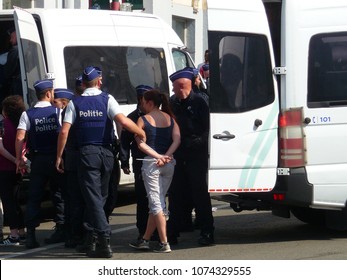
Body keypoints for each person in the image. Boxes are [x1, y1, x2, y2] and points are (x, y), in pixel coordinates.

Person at [56, 66, 145, 258]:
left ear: (84, 83)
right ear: (100, 81)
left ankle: (103, 240)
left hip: (87, 155)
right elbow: (122, 121)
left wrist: (59, 156)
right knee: (100, 197)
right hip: (106, 154)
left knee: (94, 198)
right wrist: (140, 131)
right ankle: (91, 238)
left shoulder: (75, 103)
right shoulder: (108, 99)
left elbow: (64, 131)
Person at [167, 67, 215, 246]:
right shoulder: (173, 102)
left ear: (182, 86)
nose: (172, 90)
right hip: (178, 153)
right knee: (176, 193)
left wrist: (196, 143)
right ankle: (173, 231)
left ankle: (207, 231)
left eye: (174, 86)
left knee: (200, 193)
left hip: (196, 154)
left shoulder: (200, 102)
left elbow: (207, 129)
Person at [129, 89, 180, 253]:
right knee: (157, 201)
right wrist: (166, 155)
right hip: (169, 163)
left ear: (150, 103)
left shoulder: (142, 119)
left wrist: (158, 156)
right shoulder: (170, 118)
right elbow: (177, 139)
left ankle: (164, 243)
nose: (141, 104)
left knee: (156, 203)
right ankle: (145, 239)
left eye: (143, 101)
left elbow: (140, 143)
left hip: (152, 163)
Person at [15, 79, 65, 249]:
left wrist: (18, 159)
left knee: (34, 197)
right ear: (49, 93)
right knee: (58, 194)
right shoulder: (57, 112)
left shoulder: (27, 114)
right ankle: (61, 229)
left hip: (37, 161)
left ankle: (31, 235)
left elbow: (20, 137)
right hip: (55, 158)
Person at [119, 84, 152, 240]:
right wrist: (124, 161)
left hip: (155, 161)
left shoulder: (157, 115)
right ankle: (142, 230)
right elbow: (124, 141)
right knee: (141, 197)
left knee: (155, 198)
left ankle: (157, 231)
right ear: (140, 100)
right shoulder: (132, 118)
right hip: (139, 161)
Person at [0, 95, 26, 245]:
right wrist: (19, 161)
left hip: (4, 168)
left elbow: (1, 149)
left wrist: (13, 160)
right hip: (17, 170)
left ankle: (14, 235)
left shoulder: (3, 125)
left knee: (8, 202)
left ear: (6, 110)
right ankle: (22, 233)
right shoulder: (20, 125)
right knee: (16, 201)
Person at [3, 28, 23, 98]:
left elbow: (9, 70)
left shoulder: (15, 50)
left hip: (17, 83)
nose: (10, 40)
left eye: (12, 37)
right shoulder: (25, 48)